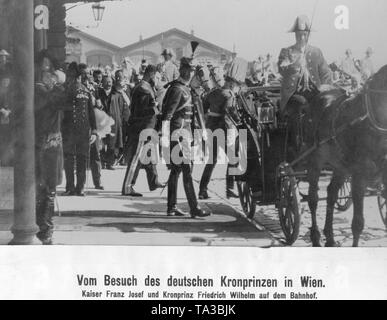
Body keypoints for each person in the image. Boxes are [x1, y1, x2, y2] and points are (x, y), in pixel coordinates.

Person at [160, 56, 210, 218]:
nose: (192, 73)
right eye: (191, 70)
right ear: (184, 71)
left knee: (176, 171)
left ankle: (171, 207)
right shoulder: (177, 89)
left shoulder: (185, 88)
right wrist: (165, 138)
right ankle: (194, 208)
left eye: (193, 70)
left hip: (185, 136)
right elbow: (168, 115)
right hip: (178, 135)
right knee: (186, 171)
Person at [278, 14, 332, 156]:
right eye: (299, 34)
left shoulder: (316, 52)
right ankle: (297, 145)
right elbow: (281, 68)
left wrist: (326, 88)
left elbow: (326, 72)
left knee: (327, 109)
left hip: (315, 93)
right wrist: (291, 62)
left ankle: (323, 145)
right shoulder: (287, 51)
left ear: (308, 35)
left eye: (304, 34)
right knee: (300, 104)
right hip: (293, 94)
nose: (301, 37)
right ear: (295, 35)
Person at [198, 59, 245, 200]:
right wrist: (239, 123)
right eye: (237, 86)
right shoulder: (229, 95)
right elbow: (229, 113)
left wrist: (208, 119)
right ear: (232, 84)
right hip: (223, 130)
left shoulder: (213, 93)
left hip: (211, 128)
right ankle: (229, 188)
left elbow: (204, 108)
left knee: (211, 161)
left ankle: (202, 190)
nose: (237, 89)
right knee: (233, 158)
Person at [34, 50, 67, 244]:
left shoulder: (55, 90)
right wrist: (56, 87)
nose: (48, 72)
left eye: (50, 67)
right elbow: (52, 103)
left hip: (54, 143)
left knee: (50, 188)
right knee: (44, 189)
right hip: (42, 144)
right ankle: (45, 229)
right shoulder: (39, 89)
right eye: (44, 67)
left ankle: (46, 227)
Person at [121, 64, 164, 197]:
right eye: (157, 76)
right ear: (151, 74)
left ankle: (154, 181)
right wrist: (156, 107)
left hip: (147, 128)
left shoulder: (146, 87)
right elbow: (140, 111)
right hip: (142, 128)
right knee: (137, 157)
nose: (158, 80)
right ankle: (128, 187)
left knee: (149, 155)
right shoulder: (143, 89)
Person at [62, 63, 98, 196]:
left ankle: (77, 187)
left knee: (77, 158)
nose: (71, 79)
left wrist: (94, 130)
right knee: (73, 159)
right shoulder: (76, 90)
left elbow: (90, 112)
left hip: (78, 131)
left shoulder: (82, 90)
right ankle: (74, 187)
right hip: (72, 130)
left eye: (72, 76)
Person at [104, 70, 130, 169]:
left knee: (123, 140)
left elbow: (129, 103)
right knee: (113, 140)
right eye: (117, 77)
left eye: (121, 77)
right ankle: (111, 160)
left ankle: (122, 158)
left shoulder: (127, 89)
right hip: (116, 119)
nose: (119, 79)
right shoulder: (113, 90)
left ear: (124, 77)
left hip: (126, 118)